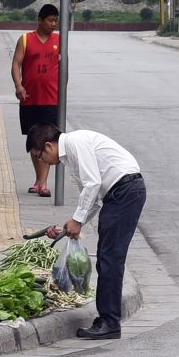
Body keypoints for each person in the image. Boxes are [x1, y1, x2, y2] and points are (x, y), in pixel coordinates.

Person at [35, 124, 146, 341]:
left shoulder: (76, 142)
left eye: (40, 155)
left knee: (110, 259)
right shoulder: (71, 154)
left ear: (49, 146)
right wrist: (75, 223)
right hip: (120, 193)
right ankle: (107, 319)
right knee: (107, 257)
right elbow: (93, 197)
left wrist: (78, 220)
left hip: (124, 191)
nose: (43, 161)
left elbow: (93, 184)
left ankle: (110, 321)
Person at [12, 4, 62, 197]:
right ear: (40, 20)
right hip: (29, 99)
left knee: (48, 140)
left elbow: (64, 68)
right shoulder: (25, 40)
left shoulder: (59, 40)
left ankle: (44, 183)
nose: (53, 24)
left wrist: (61, 94)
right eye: (50, 20)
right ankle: (38, 179)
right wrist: (19, 85)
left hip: (51, 100)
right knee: (34, 140)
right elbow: (16, 64)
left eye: (55, 21)